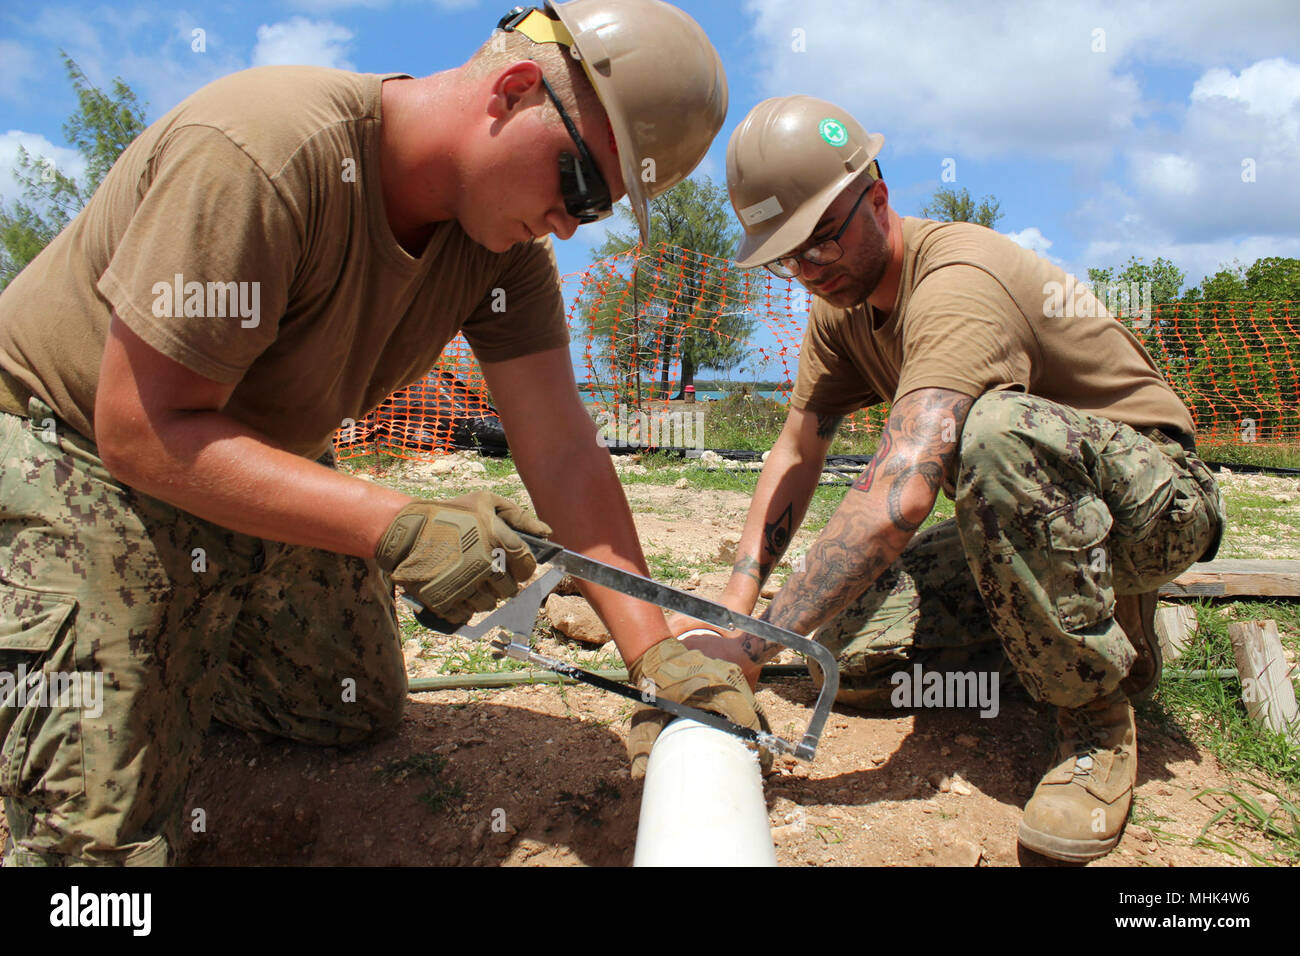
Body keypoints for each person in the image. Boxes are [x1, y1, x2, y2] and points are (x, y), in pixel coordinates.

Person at [0, 0, 762, 867]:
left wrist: (655, 654)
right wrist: (393, 523)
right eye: (578, 184)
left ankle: (176, 653)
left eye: (596, 212)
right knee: (97, 863)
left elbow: (561, 449)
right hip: (72, 455)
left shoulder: (500, 253)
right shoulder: (265, 149)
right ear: (515, 91)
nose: (567, 222)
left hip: (245, 458)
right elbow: (139, 429)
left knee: (343, 706)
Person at [677, 95, 1223, 862]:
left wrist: (755, 645)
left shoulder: (957, 282)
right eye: (786, 256)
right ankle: (1102, 626)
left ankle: (1095, 717)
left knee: (994, 432)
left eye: (820, 241)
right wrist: (738, 609)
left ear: (877, 198)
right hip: (1043, 520)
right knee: (849, 652)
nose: (807, 269)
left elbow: (901, 493)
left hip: (1155, 507)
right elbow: (797, 450)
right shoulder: (842, 305)